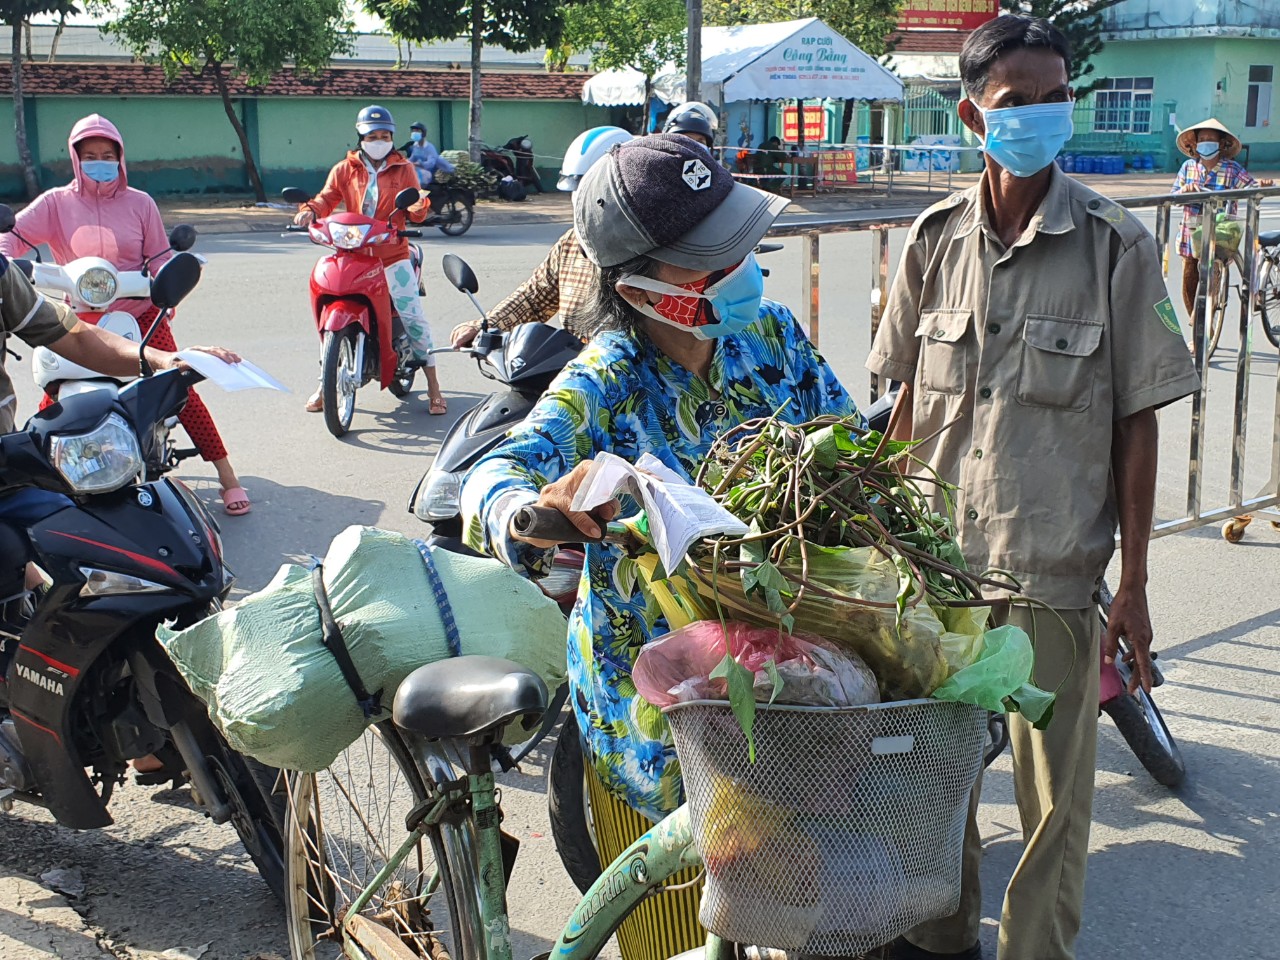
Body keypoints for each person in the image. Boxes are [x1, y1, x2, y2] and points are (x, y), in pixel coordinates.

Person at [460, 133, 858, 960]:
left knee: (800, 915)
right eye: (713, 259)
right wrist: (526, 513)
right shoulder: (606, 379)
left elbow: (847, 443)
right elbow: (494, 473)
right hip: (661, 728)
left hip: (785, 697)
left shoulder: (772, 337)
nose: (745, 265)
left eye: (741, 242)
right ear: (642, 288)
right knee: (677, 935)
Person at [866, 17, 1199, 960]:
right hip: (937, 569)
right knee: (934, 779)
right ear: (975, 115)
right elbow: (901, 408)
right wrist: (870, 533)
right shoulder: (931, 242)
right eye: (1021, 102)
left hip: (1051, 574)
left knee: (1053, 805)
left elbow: (1139, 422)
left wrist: (1133, 585)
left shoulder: (1116, 246)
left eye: (1059, 97)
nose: (1045, 116)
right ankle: (940, 940)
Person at [0, 115, 252, 516]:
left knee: (180, 388)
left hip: (140, 313)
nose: (99, 162)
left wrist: (166, 289)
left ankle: (228, 477)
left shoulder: (140, 203)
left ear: (120, 158)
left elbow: (161, 256)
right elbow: (10, 238)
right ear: (75, 159)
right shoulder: (55, 203)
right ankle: (47, 483)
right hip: (78, 317)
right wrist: (11, 263)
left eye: (107, 155)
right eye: (89, 156)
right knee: (52, 402)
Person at [0, 253, 238, 570]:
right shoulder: (58, 202)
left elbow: (74, 336)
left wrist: (163, 359)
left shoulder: (2, 273)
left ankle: (227, 474)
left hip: (6, 464)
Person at [293, 105, 447, 415]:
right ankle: (326, 383)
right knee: (327, 323)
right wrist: (310, 210)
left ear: (392, 138)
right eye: (372, 135)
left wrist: (418, 205)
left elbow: (416, 204)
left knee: (414, 316)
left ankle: (434, 386)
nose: (379, 140)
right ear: (361, 137)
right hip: (354, 254)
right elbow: (327, 198)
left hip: (392, 255)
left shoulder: (404, 168)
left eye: (385, 135)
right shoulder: (344, 169)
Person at [449, 126, 637, 349]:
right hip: (575, 371)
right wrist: (486, 326)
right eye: (576, 188)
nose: (580, 198)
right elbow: (535, 298)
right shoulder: (571, 243)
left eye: (589, 188)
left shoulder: (648, 249)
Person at [1170, 117, 1274, 318]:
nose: (1206, 142)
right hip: (1191, 233)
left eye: (1211, 138)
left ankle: (1206, 324)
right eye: (1202, 138)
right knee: (1189, 279)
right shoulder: (1188, 168)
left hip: (1220, 233)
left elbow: (1251, 187)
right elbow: (1174, 197)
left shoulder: (1232, 169)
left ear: (1221, 144)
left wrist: (1263, 185)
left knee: (1212, 279)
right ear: (1195, 144)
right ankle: (1195, 324)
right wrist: (1185, 190)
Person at [402, 121, 455, 188]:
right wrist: (404, 162)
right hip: (420, 170)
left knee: (417, 178)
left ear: (423, 133)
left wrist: (420, 163)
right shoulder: (416, 146)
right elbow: (412, 158)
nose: (414, 133)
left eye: (417, 131)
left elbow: (431, 164)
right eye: (413, 131)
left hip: (429, 173)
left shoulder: (429, 147)